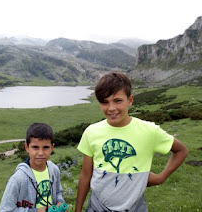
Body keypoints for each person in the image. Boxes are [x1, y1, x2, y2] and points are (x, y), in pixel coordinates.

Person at [75, 72, 188, 212]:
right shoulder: (91, 132)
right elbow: (86, 174)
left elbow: (181, 150)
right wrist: (78, 209)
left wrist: (161, 177)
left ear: (130, 100)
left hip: (134, 207)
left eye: (118, 101)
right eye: (105, 102)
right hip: (97, 206)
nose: (111, 108)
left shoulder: (149, 131)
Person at [0, 123, 67, 212]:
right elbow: (5, 209)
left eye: (46, 147)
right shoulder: (18, 179)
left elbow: (58, 192)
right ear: (27, 147)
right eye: (35, 147)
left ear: (52, 147)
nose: (40, 153)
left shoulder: (54, 170)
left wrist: (60, 202)